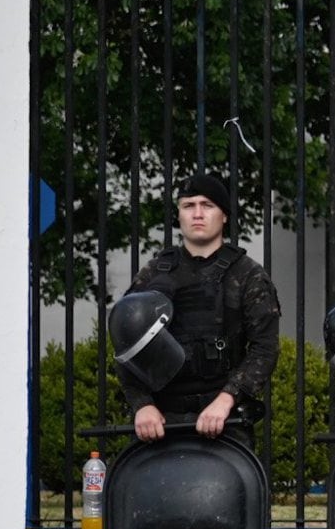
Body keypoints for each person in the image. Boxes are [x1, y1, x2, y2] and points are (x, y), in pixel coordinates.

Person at [116, 172, 280, 442]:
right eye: (188, 206)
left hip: (225, 420)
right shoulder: (154, 274)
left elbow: (265, 348)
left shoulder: (247, 275)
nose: (197, 214)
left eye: (207, 205)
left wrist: (227, 399)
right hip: (160, 421)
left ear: (224, 215)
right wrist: (142, 405)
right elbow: (125, 343)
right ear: (179, 215)